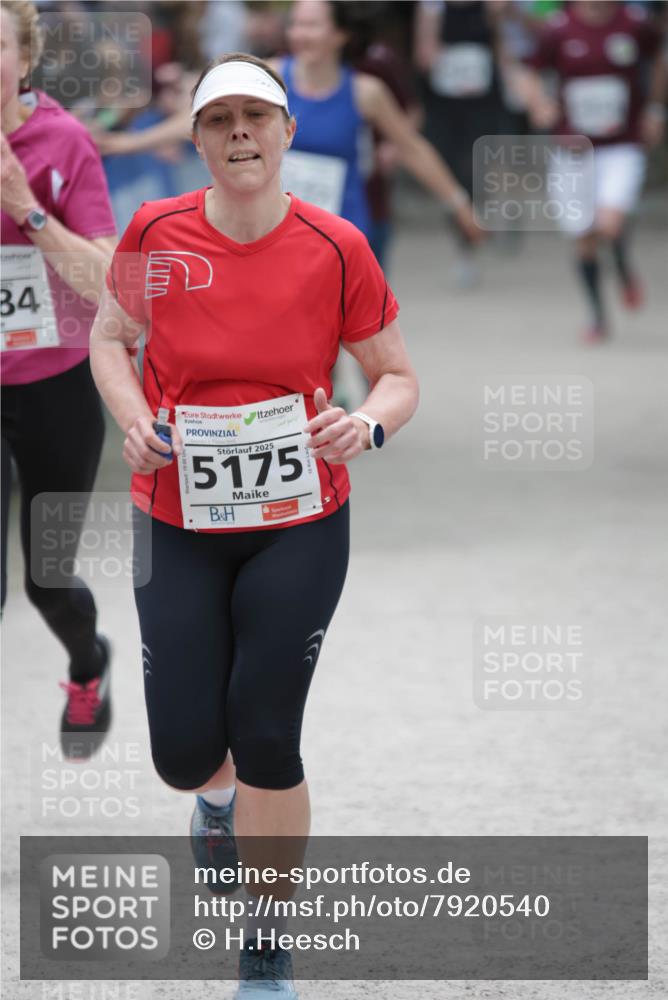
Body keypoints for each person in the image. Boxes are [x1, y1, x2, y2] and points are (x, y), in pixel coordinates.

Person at [89, 53, 419, 998]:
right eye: (219, 119)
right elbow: (111, 340)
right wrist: (132, 418)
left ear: (284, 133)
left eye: (257, 117)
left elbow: (398, 374)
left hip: (300, 518)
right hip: (176, 515)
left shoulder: (336, 243)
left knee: (269, 731)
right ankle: (215, 803)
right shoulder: (156, 229)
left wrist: (368, 424)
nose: (239, 133)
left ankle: (266, 949)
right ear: (196, 139)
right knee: (185, 752)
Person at [1, 0, 117, 758]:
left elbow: (110, 280)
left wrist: (27, 210)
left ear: (25, 59)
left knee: (49, 583)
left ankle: (88, 661)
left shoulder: (63, 142)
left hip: (55, 388)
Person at [518, 0, 666, 340]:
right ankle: (598, 315)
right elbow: (529, 71)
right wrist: (538, 102)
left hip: (621, 146)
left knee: (610, 224)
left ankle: (624, 270)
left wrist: (655, 109)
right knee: (583, 238)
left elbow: (659, 57)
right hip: (573, 150)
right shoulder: (558, 28)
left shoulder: (635, 23)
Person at [414, 0, 508, 286]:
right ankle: (464, 244)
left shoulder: (489, 6)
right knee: (452, 173)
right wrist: (436, 55)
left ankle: (477, 225)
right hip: (445, 104)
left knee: (476, 167)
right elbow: (423, 54)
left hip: (483, 102)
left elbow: (502, 45)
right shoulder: (433, 7)